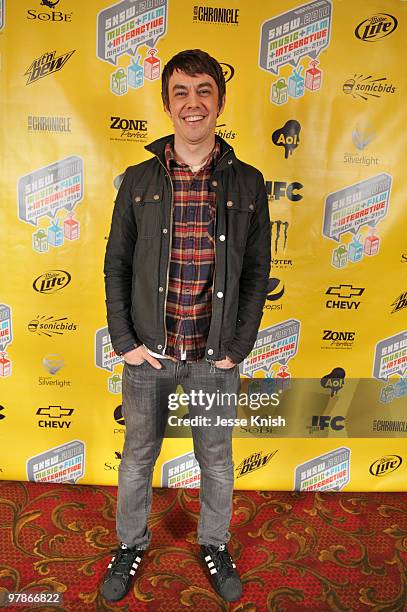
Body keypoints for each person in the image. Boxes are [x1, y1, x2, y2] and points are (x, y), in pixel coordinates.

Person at [101, 49, 271, 604]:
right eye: (181, 92)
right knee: (137, 458)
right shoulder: (138, 180)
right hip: (150, 353)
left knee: (216, 460)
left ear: (220, 101)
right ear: (167, 103)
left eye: (204, 90)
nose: (192, 102)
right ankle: (129, 545)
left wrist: (237, 346)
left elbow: (255, 273)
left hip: (212, 356)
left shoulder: (248, 183)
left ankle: (214, 543)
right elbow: (117, 264)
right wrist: (124, 343)